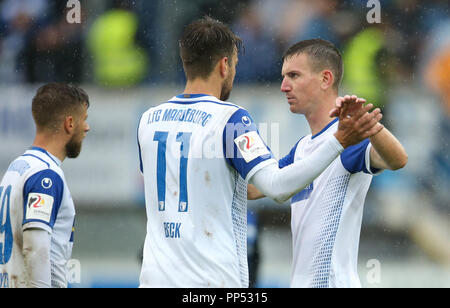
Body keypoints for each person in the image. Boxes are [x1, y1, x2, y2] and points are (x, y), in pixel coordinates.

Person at [137, 17, 383, 288]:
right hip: (210, 282)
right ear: (224, 65)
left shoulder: (149, 120)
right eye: (234, 65)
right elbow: (276, 186)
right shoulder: (230, 121)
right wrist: (338, 141)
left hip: (154, 279)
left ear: (186, 62)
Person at [248, 39, 408, 288]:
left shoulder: (348, 139)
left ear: (325, 79)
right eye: (283, 77)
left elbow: (398, 159)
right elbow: (256, 188)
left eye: (294, 75)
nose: (283, 86)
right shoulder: (301, 148)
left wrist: (368, 123)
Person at [0, 83, 90, 288]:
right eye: (84, 120)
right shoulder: (45, 175)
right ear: (69, 124)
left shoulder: (16, 168)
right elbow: (35, 248)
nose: (87, 127)